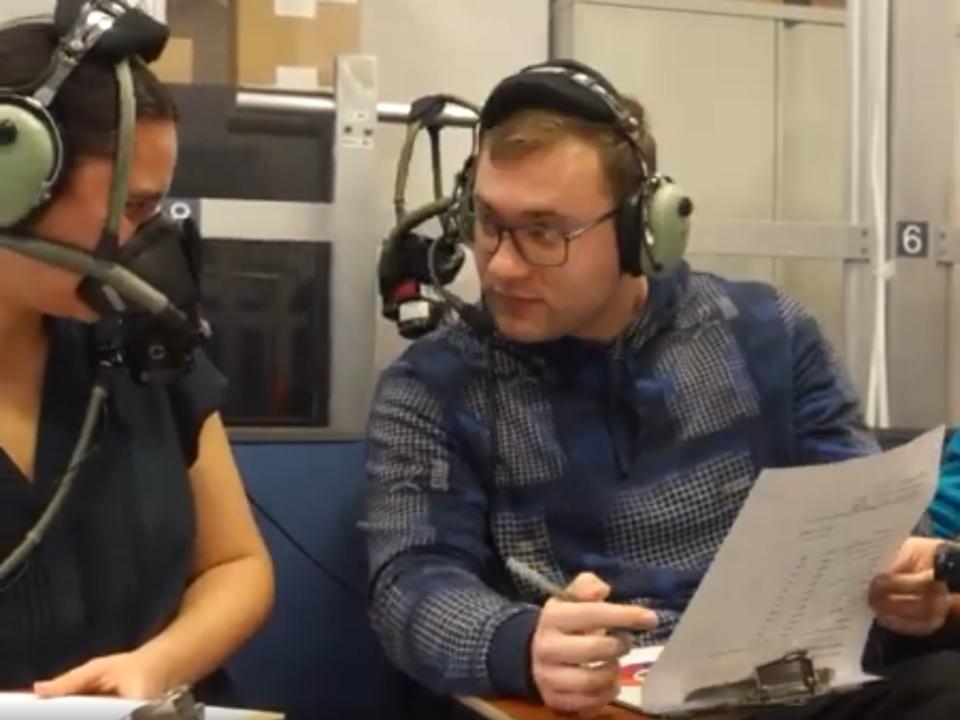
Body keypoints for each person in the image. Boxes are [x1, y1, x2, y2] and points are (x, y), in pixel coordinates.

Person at [364, 60, 960, 718]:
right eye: (486, 222)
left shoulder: (771, 335)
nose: (501, 265)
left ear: (639, 231)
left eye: (543, 233)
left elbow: (875, 523)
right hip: (601, 706)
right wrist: (520, 643)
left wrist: (913, 588)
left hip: (801, 689)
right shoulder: (433, 386)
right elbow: (411, 581)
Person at [0, 8, 273, 701]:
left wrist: (157, 667)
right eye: (136, 208)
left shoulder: (135, 340)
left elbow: (238, 564)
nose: (149, 245)